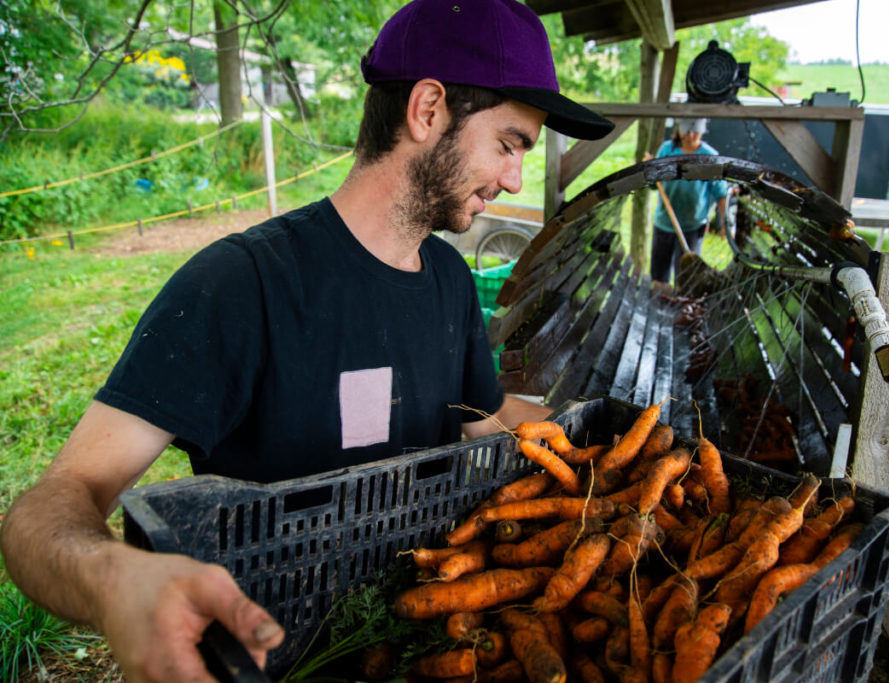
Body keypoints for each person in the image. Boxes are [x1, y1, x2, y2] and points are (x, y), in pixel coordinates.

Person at [0, 1, 613, 680]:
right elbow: (47, 508)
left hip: (421, 639)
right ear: (429, 109)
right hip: (282, 650)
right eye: (508, 144)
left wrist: (607, 440)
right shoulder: (241, 284)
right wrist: (114, 580)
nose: (514, 179)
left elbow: (483, 420)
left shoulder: (448, 279)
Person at [649, 117, 730, 282]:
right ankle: (658, 300)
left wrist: (725, 224)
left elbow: (721, 193)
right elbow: (652, 185)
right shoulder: (667, 150)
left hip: (693, 226)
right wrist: (649, 170)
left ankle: (683, 303)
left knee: (687, 277)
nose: (690, 135)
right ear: (678, 129)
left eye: (695, 131)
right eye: (686, 131)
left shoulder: (709, 157)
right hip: (664, 223)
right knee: (658, 274)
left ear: (702, 131)